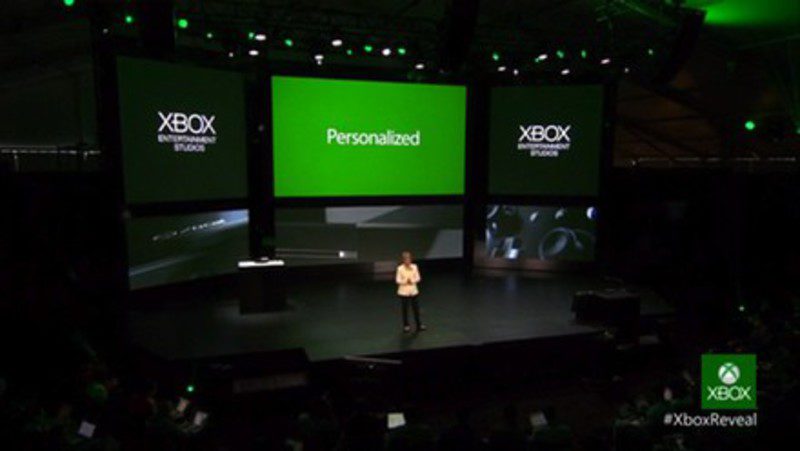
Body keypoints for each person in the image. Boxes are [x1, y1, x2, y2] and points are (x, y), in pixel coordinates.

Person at [395, 251, 425, 333]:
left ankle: (419, 325)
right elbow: (397, 280)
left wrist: (412, 280)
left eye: (409, 259)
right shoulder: (400, 268)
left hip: (413, 291)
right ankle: (406, 326)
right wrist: (405, 281)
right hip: (404, 292)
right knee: (405, 310)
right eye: (406, 259)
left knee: (416, 309)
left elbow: (418, 278)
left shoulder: (414, 267)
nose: (408, 261)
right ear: (403, 260)